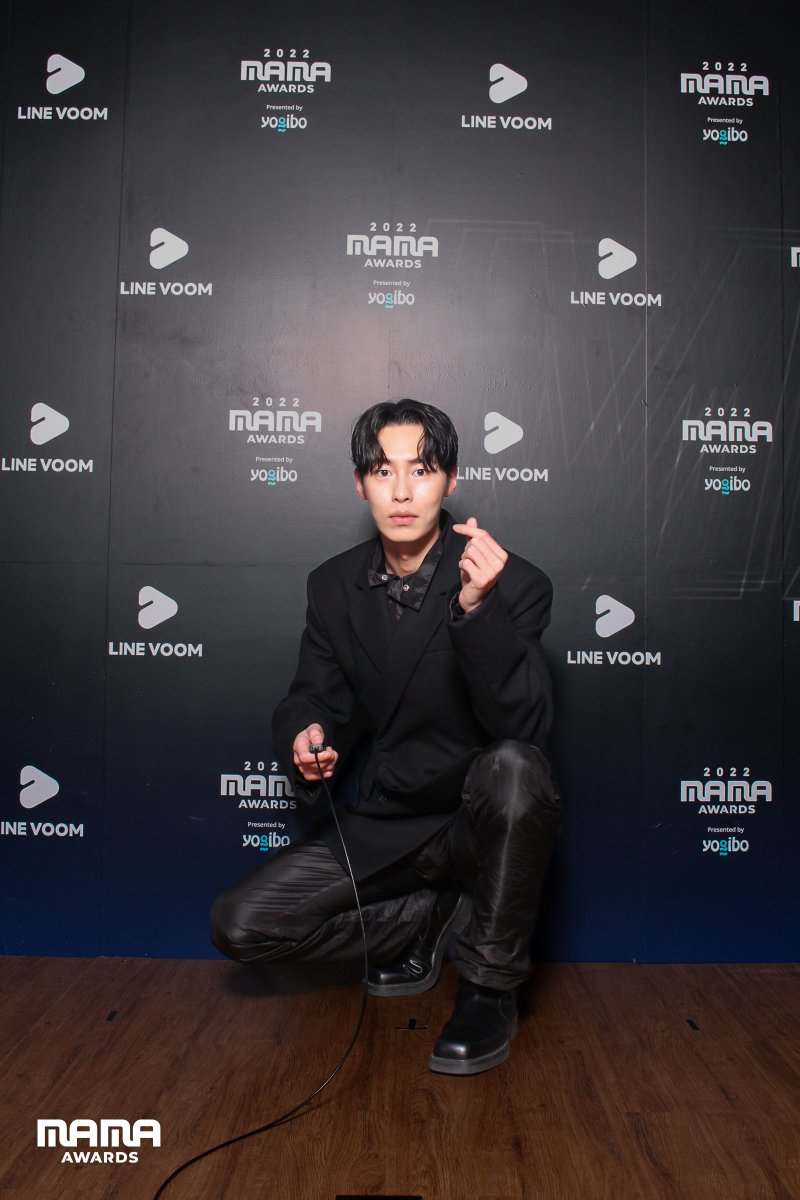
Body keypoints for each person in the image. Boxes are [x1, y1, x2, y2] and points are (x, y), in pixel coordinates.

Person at [211, 398, 560, 1075]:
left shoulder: (513, 582)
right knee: (241, 924)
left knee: (516, 768)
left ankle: (489, 988)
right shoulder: (333, 585)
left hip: (476, 821)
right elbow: (313, 694)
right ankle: (425, 918)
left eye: (421, 471)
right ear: (360, 483)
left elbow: (524, 730)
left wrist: (477, 609)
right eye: (382, 471)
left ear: (450, 481)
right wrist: (307, 733)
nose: (401, 492)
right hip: (390, 823)